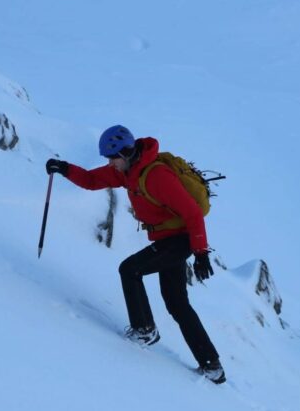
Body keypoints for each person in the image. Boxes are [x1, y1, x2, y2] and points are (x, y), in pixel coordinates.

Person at [45, 125, 225, 384]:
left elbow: (192, 213)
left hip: (179, 240)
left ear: (127, 152)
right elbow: (92, 180)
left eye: (113, 157)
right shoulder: (129, 172)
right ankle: (212, 366)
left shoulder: (156, 176)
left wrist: (201, 253)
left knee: (130, 269)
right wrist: (64, 168)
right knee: (176, 303)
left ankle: (144, 330)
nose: (111, 163)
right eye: (108, 158)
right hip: (168, 239)